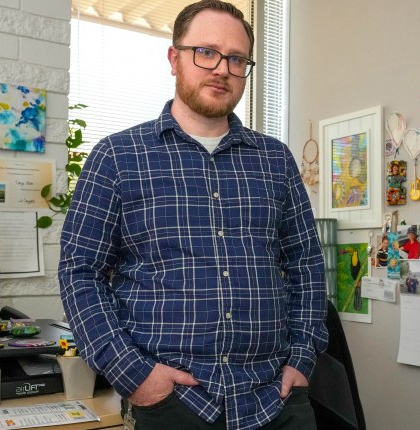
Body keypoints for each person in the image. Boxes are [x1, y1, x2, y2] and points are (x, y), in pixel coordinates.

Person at [58, 2, 327, 429]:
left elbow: (306, 265)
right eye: (206, 52)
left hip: (274, 398)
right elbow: (80, 273)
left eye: (236, 58)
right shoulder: (117, 157)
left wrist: (303, 357)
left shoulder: (275, 160)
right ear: (174, 58)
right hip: (171, 401)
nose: (222, 68)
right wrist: (133, 374)